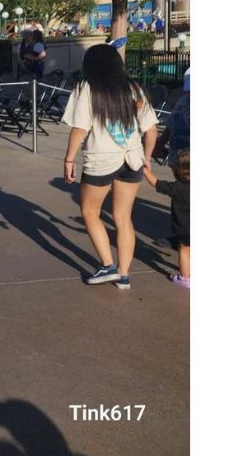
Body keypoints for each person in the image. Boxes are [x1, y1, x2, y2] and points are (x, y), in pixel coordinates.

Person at [62, 44, 159, 290]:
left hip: (102, 159)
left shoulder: (87, 87)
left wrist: (69, 159)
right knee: (123, 217)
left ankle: (108, 266)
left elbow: (80, 128)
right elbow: (151, 130)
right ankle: (124, 275)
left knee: (90, 212)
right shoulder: (134, 89)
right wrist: (146, 158)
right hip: (133, 159)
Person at [143, 150, 190, 288]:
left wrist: (146, 172)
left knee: (184, 250)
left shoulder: (178, 187)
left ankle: (185, 278)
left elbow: (157, 183)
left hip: (185, 228)